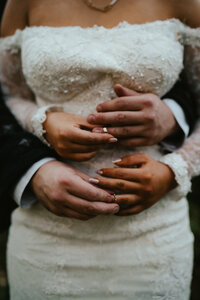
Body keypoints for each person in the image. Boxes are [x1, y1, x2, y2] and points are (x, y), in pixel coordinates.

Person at [0, 0, 199, 299]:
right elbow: (7, 94)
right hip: (47, 240)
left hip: (154, 237)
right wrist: (43, 122)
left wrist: (174, 170)